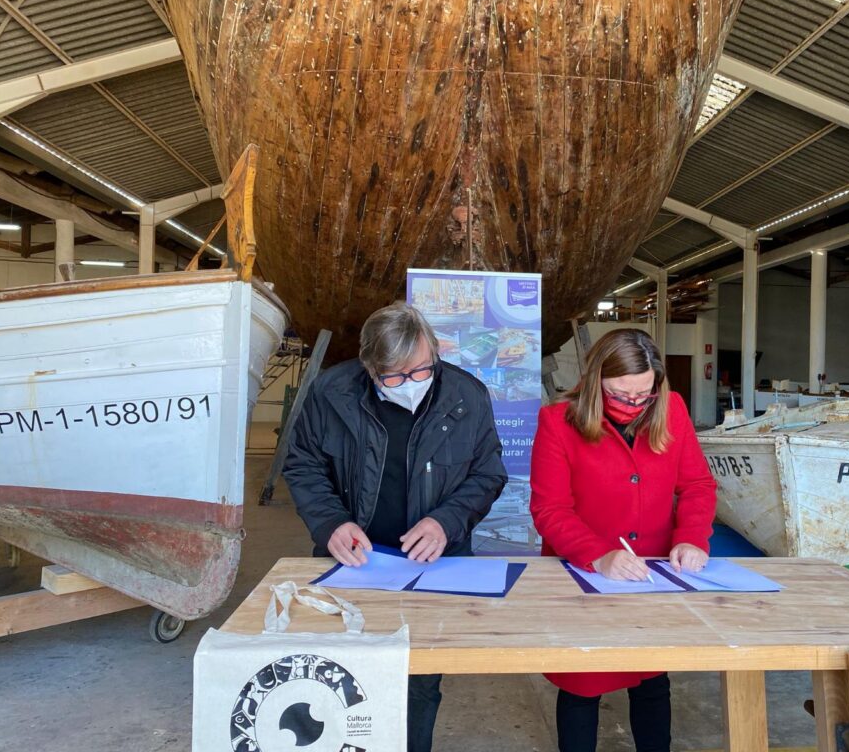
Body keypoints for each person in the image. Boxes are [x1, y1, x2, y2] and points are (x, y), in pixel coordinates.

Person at [283, 302, 508, 752]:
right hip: (354, 562)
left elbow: (488, 474)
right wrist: (331, 523)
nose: (410, 384)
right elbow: (303, 464)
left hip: (435, 565)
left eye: (422, 370)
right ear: (369, 367)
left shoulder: (466, 395)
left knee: (419, 684)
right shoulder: (331, 392)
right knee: (342, 677)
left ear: (434, 353)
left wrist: (445, 521)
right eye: (394, 377)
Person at [529, 328, 717, 752]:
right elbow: (549, 509)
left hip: (651, 572)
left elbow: (697, 485)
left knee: (651, 679)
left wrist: (692, 538)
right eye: (620, 395)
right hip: (585, 573)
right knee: (582, 682)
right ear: (595, 380)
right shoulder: (558, 421)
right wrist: (598, 556)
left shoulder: (670, 408)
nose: (633, 405)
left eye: (643, 395)